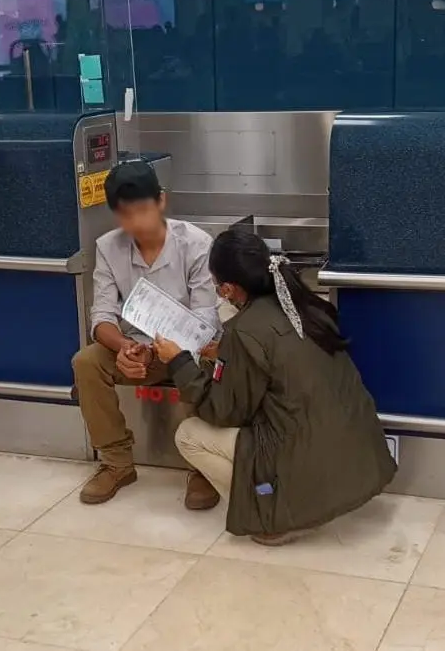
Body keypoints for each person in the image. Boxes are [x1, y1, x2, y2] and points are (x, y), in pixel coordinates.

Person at [152, 230, 396, 546]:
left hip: (303, 459)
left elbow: (223, 411)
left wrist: (178, 362)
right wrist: (225, 353)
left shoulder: (244, 330)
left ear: (228, 288)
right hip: (357, 463)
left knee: (189, 435)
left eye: (217, 286)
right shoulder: (306, 305)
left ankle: (270, 517)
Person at [72, 160, 220, 507]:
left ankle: (202, 467)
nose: (135, 222)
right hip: (138, 349)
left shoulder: (196, 244)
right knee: (87, 362)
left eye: (143, 210)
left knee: (211, 358)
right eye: (125, 214)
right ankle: (117, 463)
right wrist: (125, 347)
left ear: (161, 201)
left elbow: (206, 316)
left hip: (189, 349)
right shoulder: (108, 247)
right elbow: (102, 315)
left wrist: (172, 350)